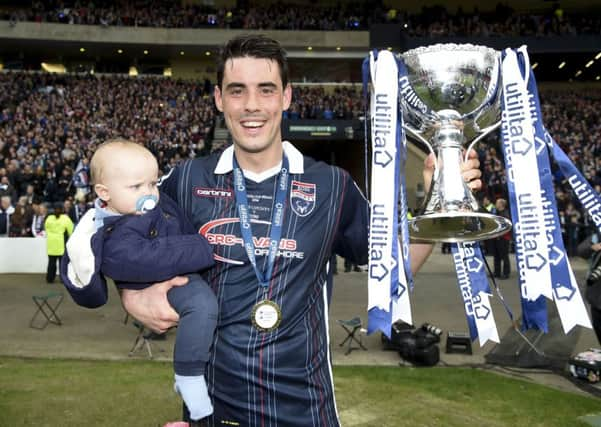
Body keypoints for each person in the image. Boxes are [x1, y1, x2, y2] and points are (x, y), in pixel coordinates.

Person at [63, 35, 482, 426]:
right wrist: (132, 294)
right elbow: (109, 234)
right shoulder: (187, 179)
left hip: (307, 408)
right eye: (236, 90)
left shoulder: (331, 185)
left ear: (286, 97)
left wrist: (438, 201)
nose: (251, 105)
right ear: (218, 99)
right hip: (212, 408)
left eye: (266, 89)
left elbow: (393, 267)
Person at [60, 139, 217, 422]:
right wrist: (204, 249)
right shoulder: (110, 234)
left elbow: (179, 227)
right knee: (202, 306)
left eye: (153, 184)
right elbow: (149, 258)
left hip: (180, 274)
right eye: (137, 187)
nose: (149, 193)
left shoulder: (151, 203)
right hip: (164, 283)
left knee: (206, 308)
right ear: (104, 192)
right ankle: (188, 375)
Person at [577, 229, 601, 344]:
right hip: (596, 294)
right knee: (598, 326)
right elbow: (581, 250)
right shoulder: (596, 236)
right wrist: (593, 247)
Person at [44, 204, 73, 283]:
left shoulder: (49, 218)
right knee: (62, 264)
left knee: (51, 263)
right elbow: (71, 230)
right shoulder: (65, 218)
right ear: (62, 210)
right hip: (61, 243)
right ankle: (63, 279)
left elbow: (46, 228)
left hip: (51, 243)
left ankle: (50, 279)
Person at [491, 198, 511, 279]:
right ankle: (497, 272)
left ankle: (506, 273)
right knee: (497, 256)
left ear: (501, 204)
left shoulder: (505, 214)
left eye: (497, 203)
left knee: (504, 256)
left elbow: (506, 226)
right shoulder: (497, 213)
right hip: (497, 237)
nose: (496, 204)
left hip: (503, 238)